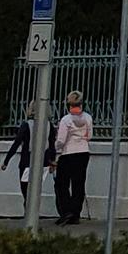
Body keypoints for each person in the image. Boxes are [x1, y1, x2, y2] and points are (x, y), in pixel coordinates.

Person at [50, 95, 94, 226]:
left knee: (61, 184)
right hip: (83, 153)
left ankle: (65, 211)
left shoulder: (66, 120)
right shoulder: (88, 118)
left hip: (68, 153)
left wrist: (55, 147)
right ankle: (75, 214)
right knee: (78, 184)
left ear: (69, 104)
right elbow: (89, 136)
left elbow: (61, 140)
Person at [1, 112, 36, 219]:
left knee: (25, 187)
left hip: (26, 161)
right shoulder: (48, 125)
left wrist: (6, 161)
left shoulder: (26, 125)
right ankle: (32, 211)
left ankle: (29, 211)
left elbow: (17, 143)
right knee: (35, 188)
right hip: (42, 162)